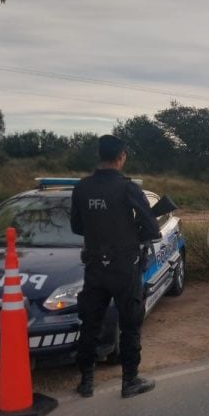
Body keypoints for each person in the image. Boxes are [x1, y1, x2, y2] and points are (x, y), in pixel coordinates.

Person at [70, 135, 159, 399]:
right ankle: (129, 381)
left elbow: (76, 226)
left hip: (95, 266)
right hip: (124, 267)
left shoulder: (82, 188)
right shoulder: (127, 187)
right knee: (130, 324)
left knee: (90, 323)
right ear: (121, 156)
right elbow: (152, 228)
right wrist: (132, 233)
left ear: (99, 155)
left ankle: (86, 381)